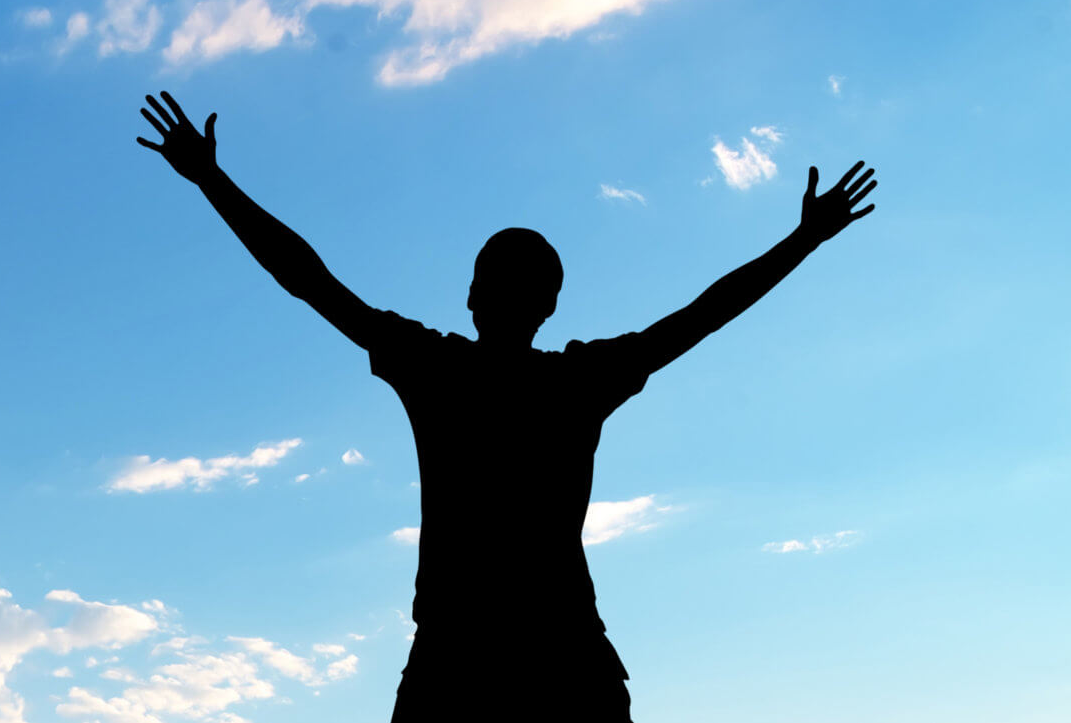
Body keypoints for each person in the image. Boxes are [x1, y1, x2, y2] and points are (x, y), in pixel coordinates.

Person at [133, 90, 877, 721]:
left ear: (472, 294)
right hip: (556, 662)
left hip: (465, 665)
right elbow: (702, 315)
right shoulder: (575, 381)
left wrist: (211, 181)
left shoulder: (439, 368)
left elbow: (308, 279)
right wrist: (802, 241)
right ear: (551, 305)